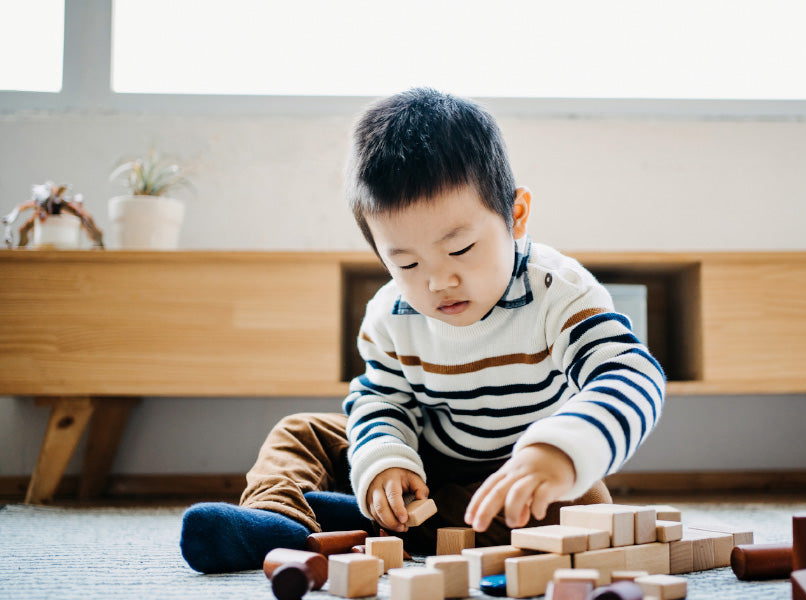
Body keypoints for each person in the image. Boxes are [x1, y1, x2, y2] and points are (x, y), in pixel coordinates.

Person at [179, 87, 665, 574]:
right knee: (301, 432)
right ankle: (276, 520)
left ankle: (350, 523)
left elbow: (631, 375)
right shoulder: (390, 314)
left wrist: (559, 450)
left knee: (581, 508)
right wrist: (385, 462)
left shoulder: (560, 294)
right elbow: (384, 401)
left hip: (513, 476)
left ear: (515, 216)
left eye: (460, 250)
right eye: (406, 263)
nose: (438, 281)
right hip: (428, 461)